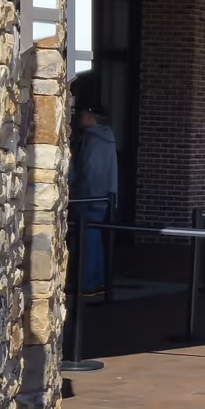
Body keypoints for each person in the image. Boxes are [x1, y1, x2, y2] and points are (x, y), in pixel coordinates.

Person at [70, 107, 117, 295]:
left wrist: (78, 194)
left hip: (88, 197)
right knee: (94, 238)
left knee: (87, 239)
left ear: (90, 116)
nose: (76, 115)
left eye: (80, 113)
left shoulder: (91, 141)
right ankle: (96, 281)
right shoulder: (106, 139)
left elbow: (89, 172)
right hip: (101, 196)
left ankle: (86, 283)